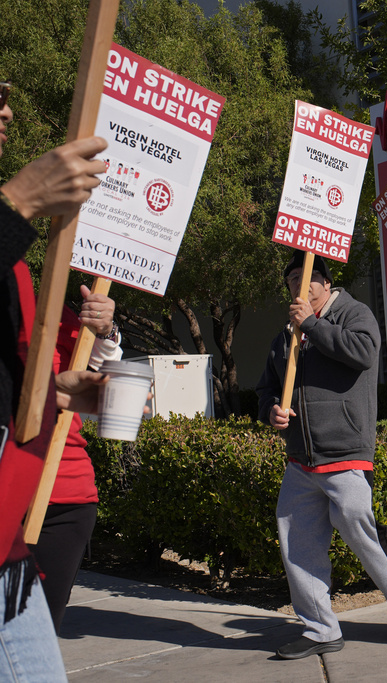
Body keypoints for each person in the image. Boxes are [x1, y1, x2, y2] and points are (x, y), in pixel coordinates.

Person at [2, 78, 110, 680]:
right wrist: (17, 204)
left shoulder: (16, 270)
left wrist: (56, 389)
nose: (9, 110)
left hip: (12, 532)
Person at [257, 250, 387, 660]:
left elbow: (362, 352)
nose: (299, 286)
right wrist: (271, 408)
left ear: (326, 284)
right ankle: (320, 629)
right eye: (292, 281)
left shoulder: (355, 314)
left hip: (346, 452)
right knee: (297, 542)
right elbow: (266, 388)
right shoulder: (284, 335)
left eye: (307, 279)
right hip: (300, 460)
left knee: (358, 528)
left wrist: (312, 324)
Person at [27, 290, 122, 634]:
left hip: (65, 499)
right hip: (10, 497)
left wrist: (106, 330)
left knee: (35, 642)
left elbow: (101, 370)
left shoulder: (43, 305)